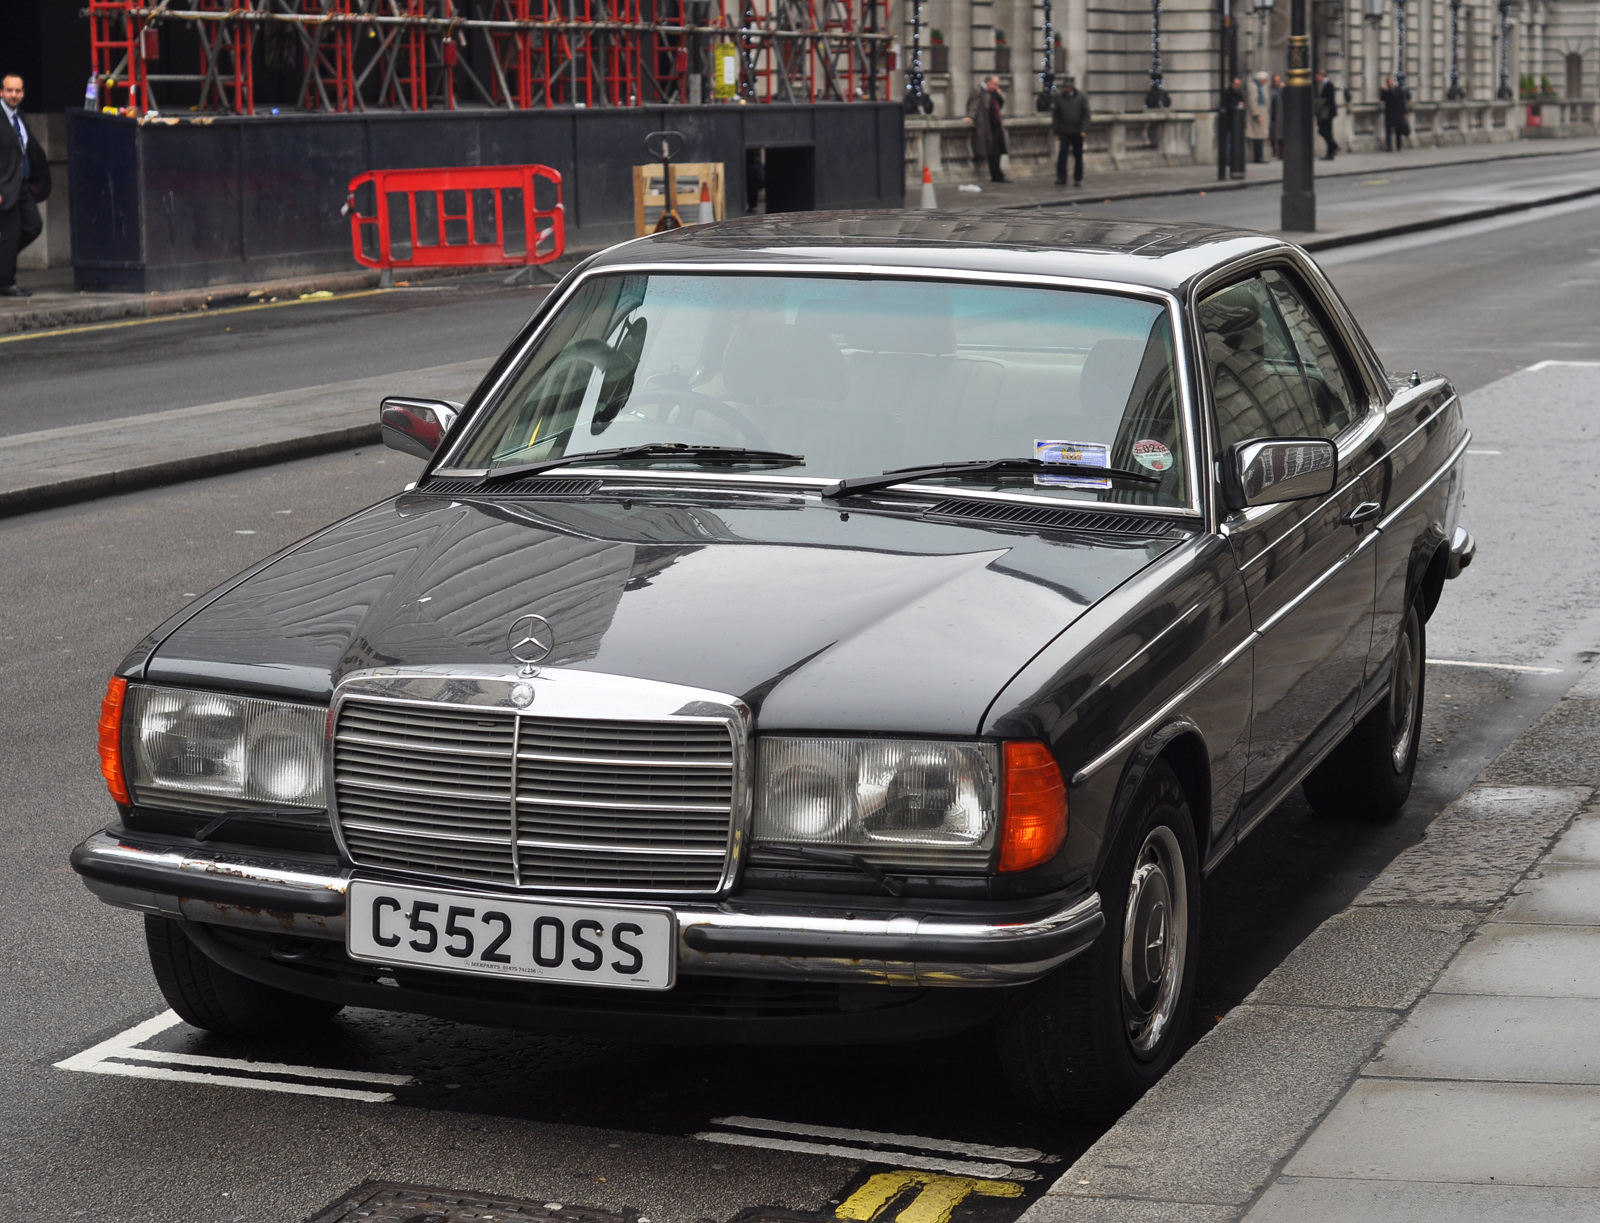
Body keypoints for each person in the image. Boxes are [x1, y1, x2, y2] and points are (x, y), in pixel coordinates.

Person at [0, 73, 43, 299]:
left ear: (23, 93)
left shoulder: (19, 116)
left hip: (22, 184)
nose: (13, 95)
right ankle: (6, 282)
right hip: (4, 186)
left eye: (18, 91)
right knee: (11, 233)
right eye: (9, 90)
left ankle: (3, 265)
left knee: (33, 226)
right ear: (1, 92)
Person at [965, 75, 1008, 183]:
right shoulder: (978, 91)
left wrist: (999, 95)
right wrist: (970, 117)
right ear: (988, 83)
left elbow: (1000, 104)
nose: (996, 87)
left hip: (996, 126)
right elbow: (973, 106)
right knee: (991, 151)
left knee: (997, 150)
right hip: (986, 126)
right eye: (995, 84)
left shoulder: (993, 93)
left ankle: (998, 174)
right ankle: (996, 174)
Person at [1050, 76, 1090, 187]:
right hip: (1064, 131)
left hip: (1077, 131)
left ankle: (1078, 178)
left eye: (1069, 87)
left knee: (1078, 155)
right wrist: (1056, 132)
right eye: (1066, 87)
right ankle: (1061, 177)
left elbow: (1086, 115)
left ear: (1072, 87)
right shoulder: (1059, 98)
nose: (1067, 89)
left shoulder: (1081, 97)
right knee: (1062, 154)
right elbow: (1056, 116)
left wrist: (1084, 130)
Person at [1380, 75, 1411, 150]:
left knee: (1398, 130)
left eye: (1391, 81)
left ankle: (1398, 146)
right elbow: (1382, 98)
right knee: (1388, 130)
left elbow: (1402, 102)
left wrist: (1404, 113)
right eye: (1389, 81)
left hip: (1398, 113)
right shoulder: (1385, 90)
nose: (1390, 83)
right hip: (1389, 113)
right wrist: (1385, 91)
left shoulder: (1398, 89)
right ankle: (1389, 146)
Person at [1246, 70, 1270, 164]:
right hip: (1257, 114)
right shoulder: (1253, 86)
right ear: (1261, 79)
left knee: (1261, 136)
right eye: (1264, 80)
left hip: (1262, 112)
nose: (1265, 82)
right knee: (1258, 137)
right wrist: (1256, 115)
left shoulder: (1261, 87)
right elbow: (1252, 101)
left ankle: (1260, 156)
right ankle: (1258, 157)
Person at [1315, 69, 1339, 160]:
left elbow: (1329, 100)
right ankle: (1330, 153)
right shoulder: (1323, 85)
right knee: (1327, 132)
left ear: (1321, 76)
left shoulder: (1329, 85)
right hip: (1325, 112)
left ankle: (1334, 145)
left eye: (1318, 76)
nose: (1317, 78)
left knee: (1322, 130)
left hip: (1327, 113)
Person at [1269, 74, 1284, 158]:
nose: (1276, 82)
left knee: (1280, 135)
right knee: (1272, 133)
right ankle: (1274, 150)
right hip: (1272, 114)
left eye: (1278, 81)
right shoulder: (1271, 89)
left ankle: (1281, 153)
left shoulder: (1282, 89)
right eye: (1275, 81)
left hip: (1279, 115)